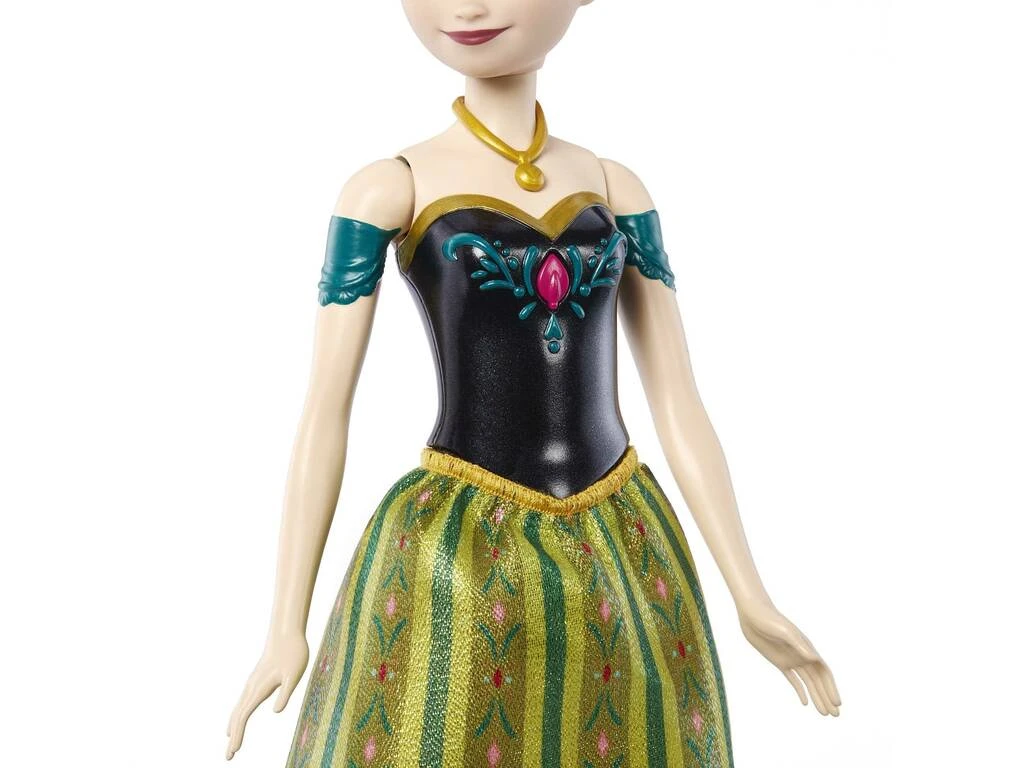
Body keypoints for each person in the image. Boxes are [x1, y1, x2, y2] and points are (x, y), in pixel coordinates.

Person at [226, 2, 841, 766]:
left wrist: (750, 594)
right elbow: (325, 411)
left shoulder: (614, 186)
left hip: (619, 546)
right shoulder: (390, 188)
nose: (465, 7)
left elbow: (678, 400)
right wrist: (285, 624)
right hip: (457, 556)